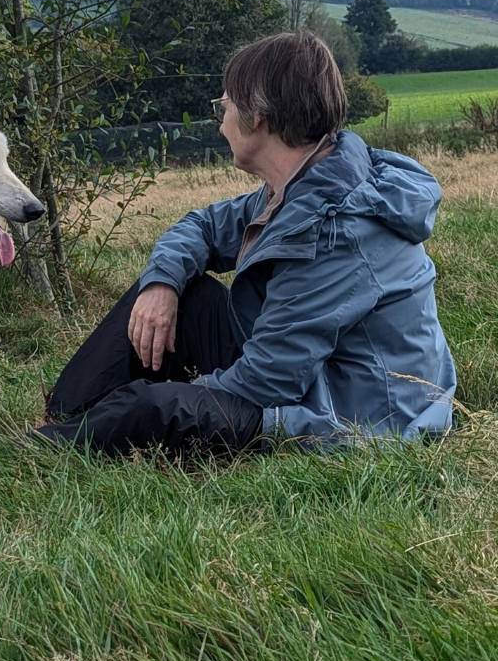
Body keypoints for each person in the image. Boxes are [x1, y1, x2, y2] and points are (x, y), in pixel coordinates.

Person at [38, 32, 456, 457]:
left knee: (153, 408)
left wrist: (190, 392)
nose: (220, 121)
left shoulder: (333, 228)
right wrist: (161, 284)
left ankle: (36, 452)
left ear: (256, 115)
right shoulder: (308, 182)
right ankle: (62, 414)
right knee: (178, 294)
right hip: (309, 372)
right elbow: (202, 226)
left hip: (358, 416)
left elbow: (268, 382)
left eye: (225, 106)